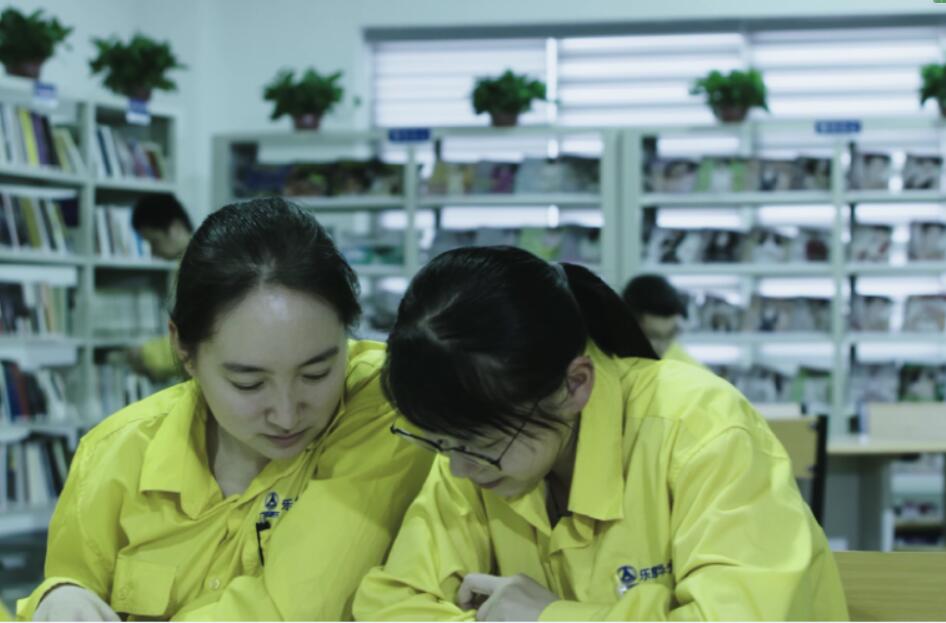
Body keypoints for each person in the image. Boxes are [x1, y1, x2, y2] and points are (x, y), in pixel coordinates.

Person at [352, 246, 848, 621]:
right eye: (441, 443)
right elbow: (391, 605)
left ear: (575, 385)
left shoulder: (702, 428)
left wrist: (549, 617)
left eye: (482, 445)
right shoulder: (475, 443)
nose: (459, 468)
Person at [19, 198, 431, 621]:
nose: (287, 415)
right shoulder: (115, 453)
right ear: (184, 350)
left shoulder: (387, 403)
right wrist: (59, 595)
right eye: (248, 383)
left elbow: (295, 606)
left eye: (316, 373)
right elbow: (74, 584)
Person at [127, 194, 195, 380]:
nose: (153, 252)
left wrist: (146, 355)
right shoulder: (184, 265)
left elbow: (197, 340)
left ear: (175, 228)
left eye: (154, 242)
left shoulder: (198, 267)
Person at [621, 273, 698, 365]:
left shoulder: (685, 364)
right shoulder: (608, 364)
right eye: (653, 336)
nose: (662, 348)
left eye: (669, 335)